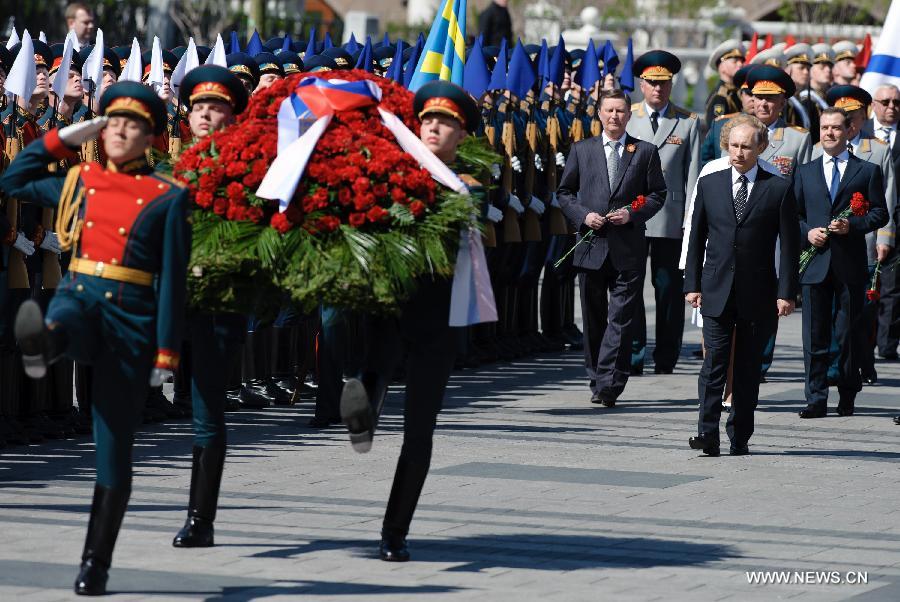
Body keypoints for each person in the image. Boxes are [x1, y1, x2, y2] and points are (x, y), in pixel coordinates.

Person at [2, 81, 190, 595]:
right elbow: (15, 179)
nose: (121, 132)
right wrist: (63, 137)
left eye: (134, 126)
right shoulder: (79, 179)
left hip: (132, 321)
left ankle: (95, 562)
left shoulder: (167, 197)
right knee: (67, 317)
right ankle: (44, 344)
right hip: (81, 298)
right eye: (113, 123)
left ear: (151, 137)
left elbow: (173, 279)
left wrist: (167, 352)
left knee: (114, 452)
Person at [337, 80, 484, 562]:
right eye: (428, 120)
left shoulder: (468, 186)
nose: (435, 127)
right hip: (387, 307)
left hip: (436, 322)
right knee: (369, 379)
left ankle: (394, 532)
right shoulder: (386, 172)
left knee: (420, 432)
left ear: (462, 135)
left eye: (446, 122)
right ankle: (361, 407)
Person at [683, 116, 799, 457]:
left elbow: (790, 246)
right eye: (733, 145)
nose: (739, 152)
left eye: (746, 146)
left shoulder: (777, 187)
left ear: (760, 148)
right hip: (716, 289)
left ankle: (740, 434)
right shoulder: (711, 183)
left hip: (758, 292)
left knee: (748, 368)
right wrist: (692, 283)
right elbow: (696, 238)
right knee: (713, 364)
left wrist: (786, 293)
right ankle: (707, 434)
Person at [170, 65, 249, 549]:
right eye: (197, 106)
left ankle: (201, 518)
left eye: (214, 106)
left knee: (207, 413)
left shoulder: (247, 166)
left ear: (231, 114)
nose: (203, 113)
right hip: (168, 306)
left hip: (219, 304)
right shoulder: (173, 166)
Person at [557, 89, 666, 407]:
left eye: (620, 110)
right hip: (591, 245)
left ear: (628, 115)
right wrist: (583, 216)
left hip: (627, 246)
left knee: (621, 317)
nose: (614, 116)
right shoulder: (582, 150)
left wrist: (632, 212)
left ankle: (611, 381)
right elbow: (564, 192)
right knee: (593, 316)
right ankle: (596, 375)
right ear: (599, 114)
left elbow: (656, 193)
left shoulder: (644, 151)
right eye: (609, 110)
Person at [795, 108, 888, 419]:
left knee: (847, 333)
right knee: (814, 334)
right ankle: (816, 397)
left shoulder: (866, 171)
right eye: (824, 128)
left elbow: (880, 213)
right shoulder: (805, 171)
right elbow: (792, 215)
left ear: (849, 131)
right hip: (815, 263)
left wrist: (854, 226)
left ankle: (848, 393)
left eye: (836, 128)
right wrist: (807, 232)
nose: (829, 134)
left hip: (849, 264)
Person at [626, 50, 700, 375]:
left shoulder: (687, 122)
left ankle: (667, 355)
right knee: (630, 285)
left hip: (671, 218)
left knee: (668, 289)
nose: (658, 89)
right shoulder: (628, 117)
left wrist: (692, 221)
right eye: (652, 83)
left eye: (664, 83)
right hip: (633, 216)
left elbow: (694, 174)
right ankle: (634, 353)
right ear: (642, 84)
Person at [867, 84, 900, 362]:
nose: (892, 107)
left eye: (897, 103)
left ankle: (887, 346)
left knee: (893, 287)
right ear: (874, 105)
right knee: (867, 287)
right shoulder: (858, 131)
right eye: (886, 102)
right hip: (865, 222)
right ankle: (863, 348)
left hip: (897, 222)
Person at [705, 39, 744, 126]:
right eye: (735, 61)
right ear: (722, 67)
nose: (740, 64)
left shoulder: (736, 91)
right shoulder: (720, 97)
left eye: (741, 61)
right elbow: (716, 127)